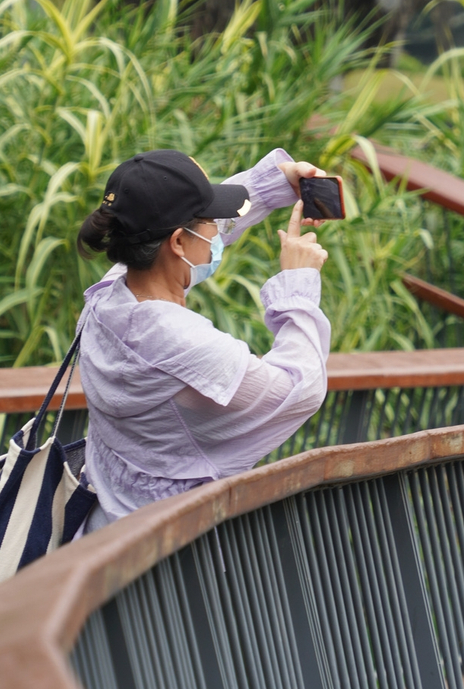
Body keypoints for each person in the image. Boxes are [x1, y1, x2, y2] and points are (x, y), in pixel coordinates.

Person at [75, 147, 330, 532]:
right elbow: (302, 388)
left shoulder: (105, 303)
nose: (217, 231)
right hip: (171, 553)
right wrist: (297, 283)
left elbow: (184, 229)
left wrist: (275, 183)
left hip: (100, 536)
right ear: (179, 242)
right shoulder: (186, 345)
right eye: (211, 221)